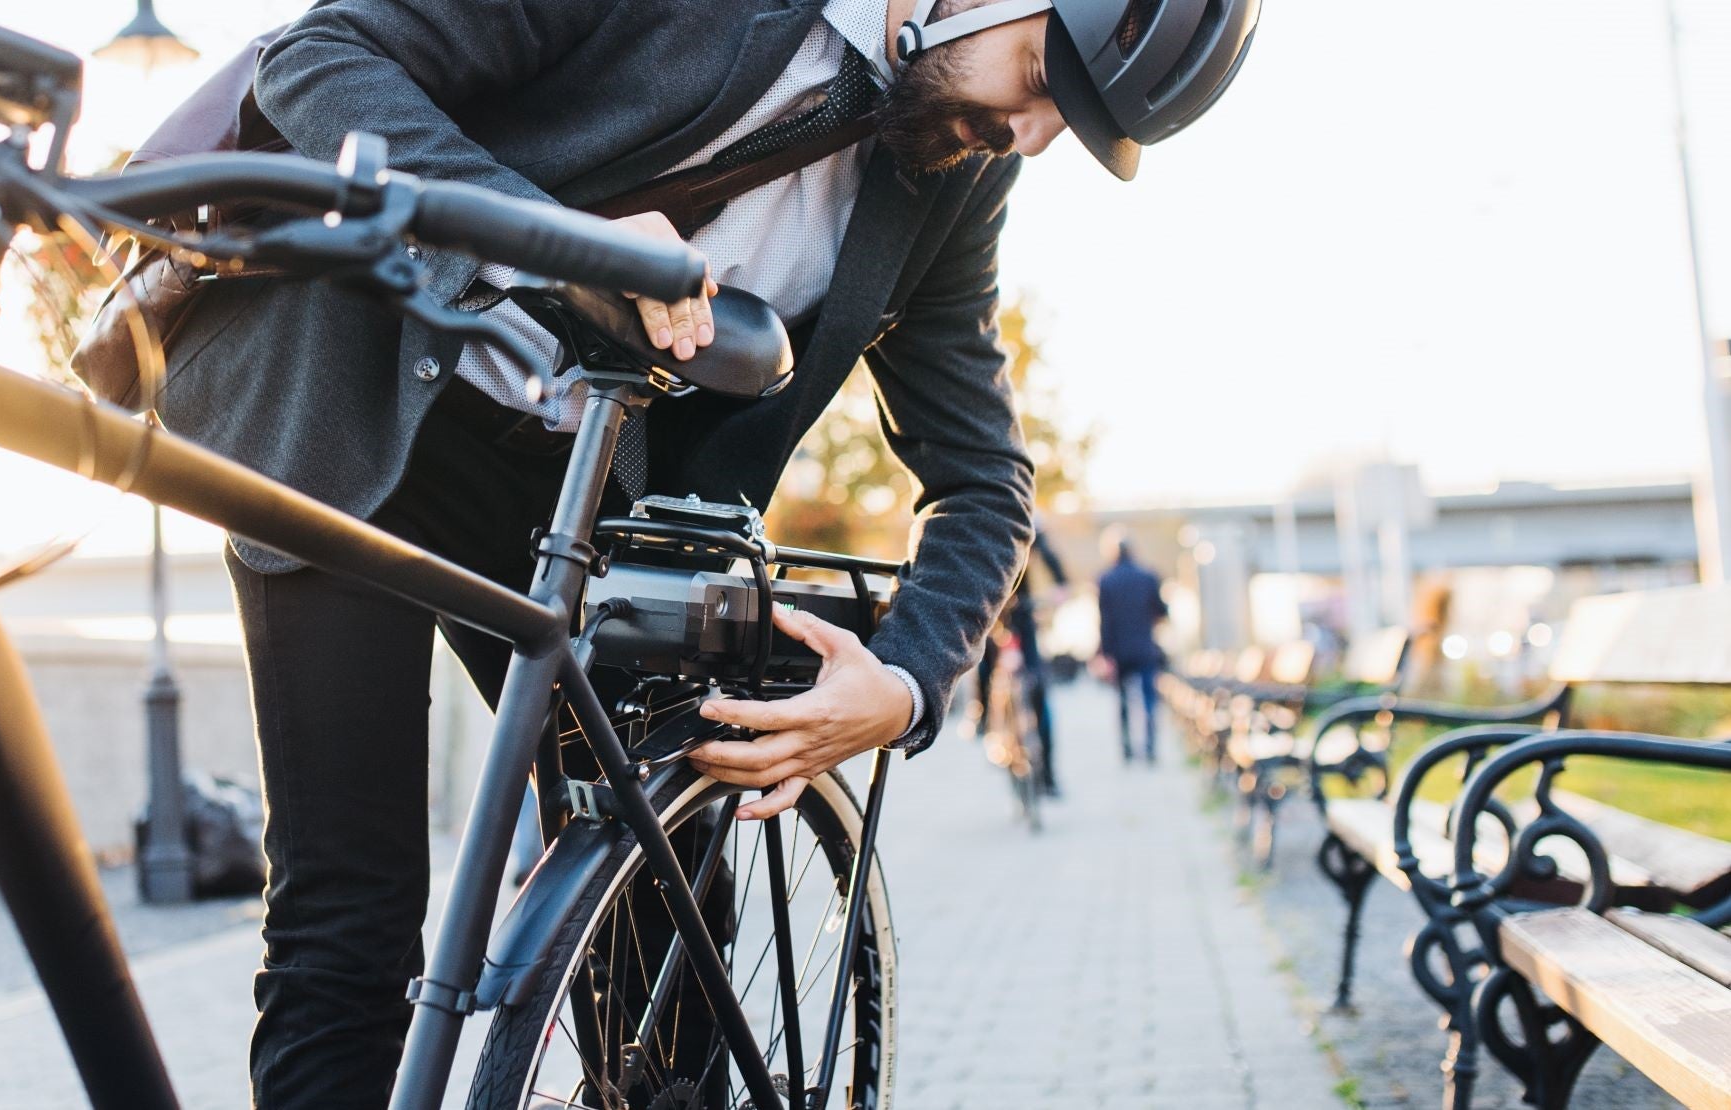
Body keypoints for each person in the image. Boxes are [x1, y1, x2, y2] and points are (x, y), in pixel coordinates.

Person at [141, 0, 1261, 1100]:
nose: (1031, 135)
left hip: (590, 501)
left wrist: (910, 684)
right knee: (345, 914)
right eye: (1038, 78)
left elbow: (985, 478)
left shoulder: (958, 178)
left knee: (668, 905)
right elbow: (318, 59)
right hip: (351, 402)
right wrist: (547, 235)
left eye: (1071, 123)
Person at [975, 522, 1068, 793]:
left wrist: (1060, 588)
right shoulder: (977, 520)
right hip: (990, 614)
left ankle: (1047, 773)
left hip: (1021, 614)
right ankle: (981, 716)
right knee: (983, 665)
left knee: (1038, 688)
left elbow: (1051, 559)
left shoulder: (1025, 523)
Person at [1096, 525, 1170, 762]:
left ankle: (1127, 747)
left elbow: (1104, 622)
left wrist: (1105, 653)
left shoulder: (1105, 580)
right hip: (1145, 648)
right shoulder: (1148, 576)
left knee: (1123, 700)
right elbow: (1161, 610)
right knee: (1149, 697)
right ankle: (1149, 746)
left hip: (1119, 651)